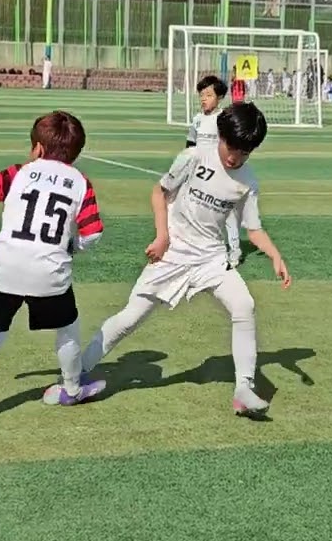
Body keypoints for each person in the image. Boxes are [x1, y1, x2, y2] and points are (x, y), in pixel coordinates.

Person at [56, 103, 291, 417]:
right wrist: (162, 236)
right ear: (220, 136)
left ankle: (244, 388)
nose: (235, 158)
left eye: (245, 153)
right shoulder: (194, 157)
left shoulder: (247, 182)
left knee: (244, 306)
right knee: (130, 318)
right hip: (173, 252)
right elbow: (159, 192)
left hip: (210, 258)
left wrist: (275, 255)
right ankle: (76, 373)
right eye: (232, 148)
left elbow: (254, 227)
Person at [0, 111, 106, 427]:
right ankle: (71, 388)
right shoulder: (81, 182)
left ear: (38, 148)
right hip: (50, 273)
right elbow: (93, 232)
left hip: (6, 267)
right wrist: (71, 247)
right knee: (67, 328)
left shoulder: (20, 173)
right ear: (75, 152)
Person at [187, 75, 241, 267]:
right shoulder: (197, 120)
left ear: (219, 97)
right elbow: (190, 144)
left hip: (220, 172)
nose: (204, 99)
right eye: (201, 95)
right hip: (200, 173)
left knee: (227, 213)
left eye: (208, 95)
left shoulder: (223, 120)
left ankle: (234, 251)